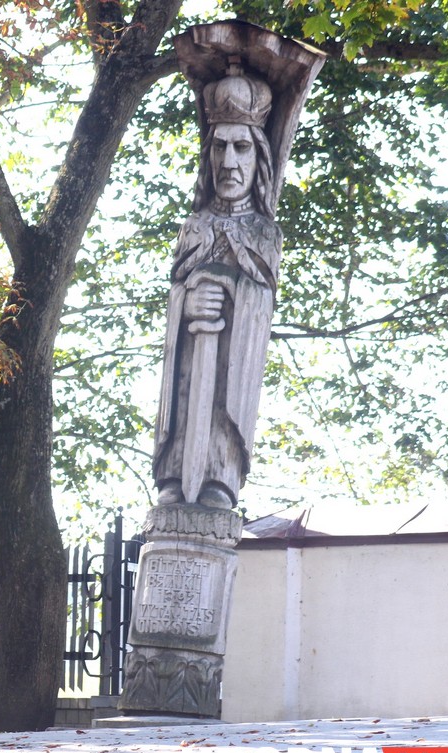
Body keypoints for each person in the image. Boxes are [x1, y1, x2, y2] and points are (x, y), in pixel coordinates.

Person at [152, 63, 282, 510]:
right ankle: (173, 472)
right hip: (190, 359)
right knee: (185, 393)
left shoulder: (265, 233)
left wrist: (229, 287)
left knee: (221, 405)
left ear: (258, 156)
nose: (229, 162)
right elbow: (174, 290)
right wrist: (186, 302)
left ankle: (220, 478)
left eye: (241, 148)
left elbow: (262, 303)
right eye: (220, 147)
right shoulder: (194, 226)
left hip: (230, 362)